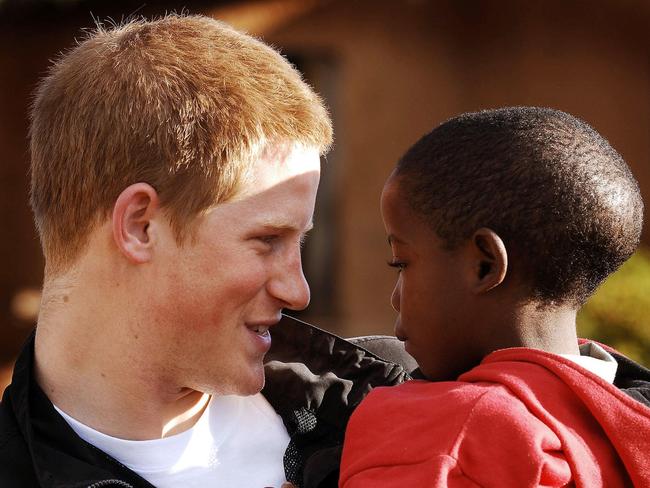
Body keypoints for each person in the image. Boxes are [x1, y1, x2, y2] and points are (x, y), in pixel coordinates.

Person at [0, 15, 414, 488]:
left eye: (300, 242)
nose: (298, 291)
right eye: (267, 240)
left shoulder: (414, 396)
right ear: (140, 226)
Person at [339, 107, 650, 487]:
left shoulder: (448, 429)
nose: (395, 298)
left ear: (484, 265)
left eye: (401, 263)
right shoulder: (630, 417)